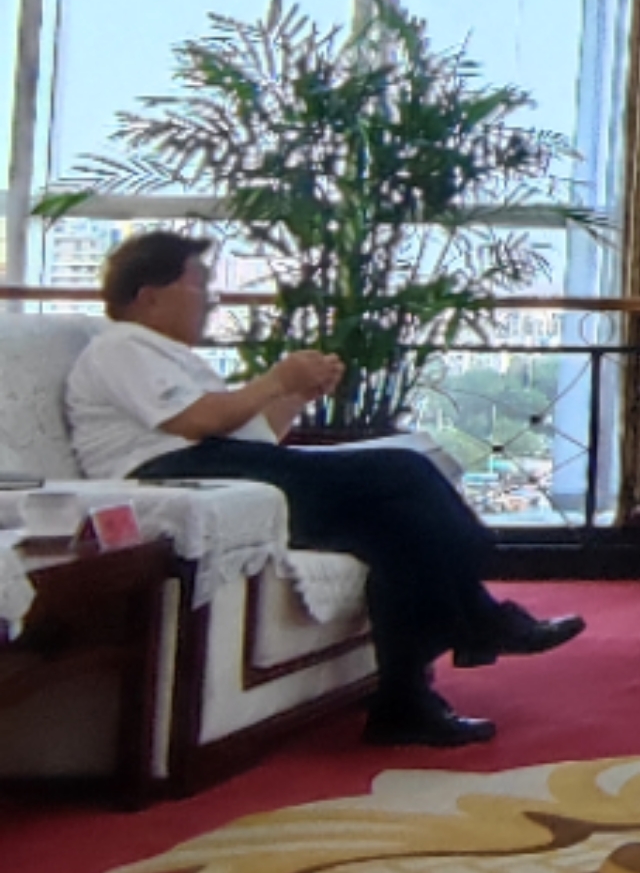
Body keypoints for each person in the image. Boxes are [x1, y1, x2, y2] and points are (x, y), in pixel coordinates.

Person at [65, 232, 582, 749]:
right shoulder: (121, 347)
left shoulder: (171, 358)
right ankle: (484, 612)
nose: (211, 300)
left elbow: (253, 434)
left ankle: (404, 705)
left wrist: (296, 393)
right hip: (177, 475)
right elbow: (198, 421)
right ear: (149, 295)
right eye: (198, 284)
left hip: (223, 468)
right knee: (405, 470)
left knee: (398, 530)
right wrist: (276, 379)